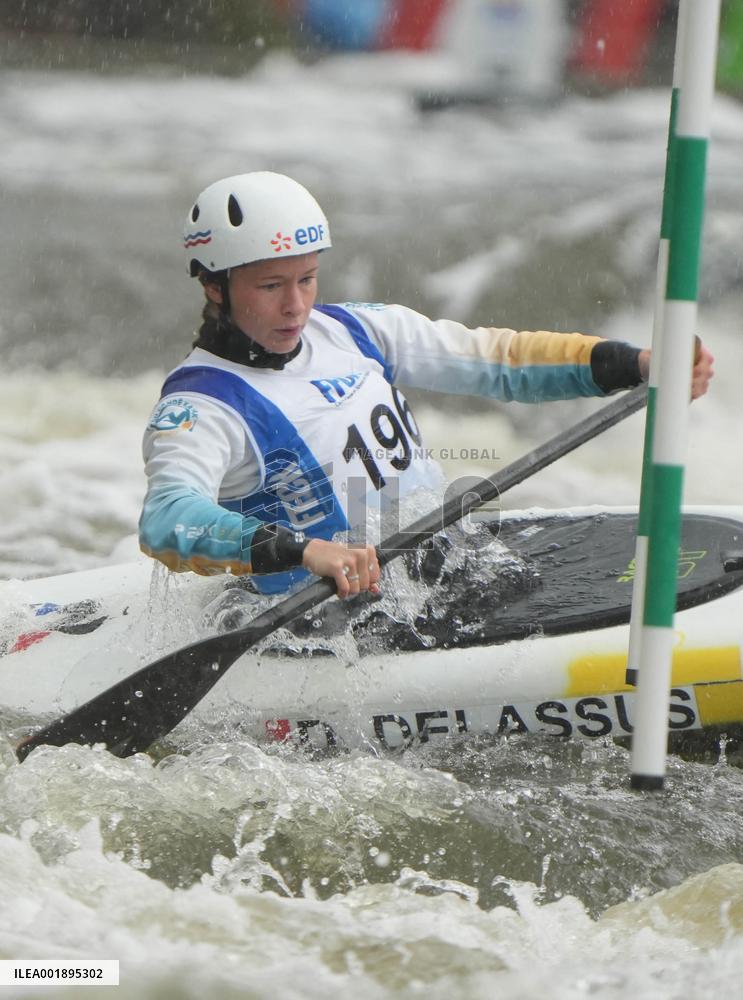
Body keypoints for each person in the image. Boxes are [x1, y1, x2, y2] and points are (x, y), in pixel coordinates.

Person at [139, 171, 714, 601]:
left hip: (442, 572)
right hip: (322, 622)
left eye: (307, 279)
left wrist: (636, 364)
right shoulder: (204, 404)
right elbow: (167, 518)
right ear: (214, 287)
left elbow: (499, 360)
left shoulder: (353, 331)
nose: (296, 306)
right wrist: (306, 550)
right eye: (271, 286)